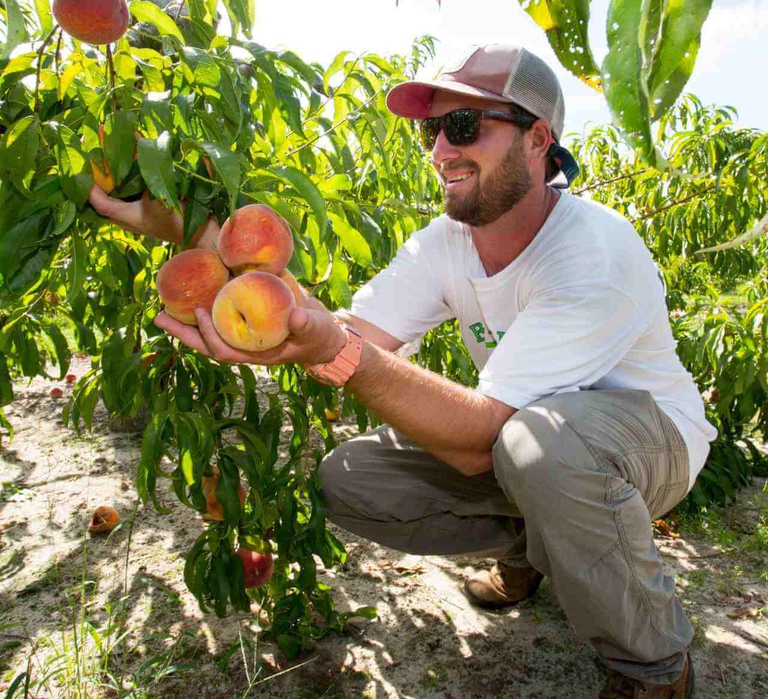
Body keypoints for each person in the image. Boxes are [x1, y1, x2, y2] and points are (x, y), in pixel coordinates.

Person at [90, 44, 715, 698]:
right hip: (530, 445)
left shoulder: (593, 253)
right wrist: (200, 237)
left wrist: (337, 351)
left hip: (650, 443)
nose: (441, 149)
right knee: (350, 476)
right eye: (431, 130)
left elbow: (475, 438)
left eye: (465, 127)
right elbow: (345, 330)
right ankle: (536, 546)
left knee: (540, 447)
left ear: (537, 139)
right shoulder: (445, 243)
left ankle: (653, 665)